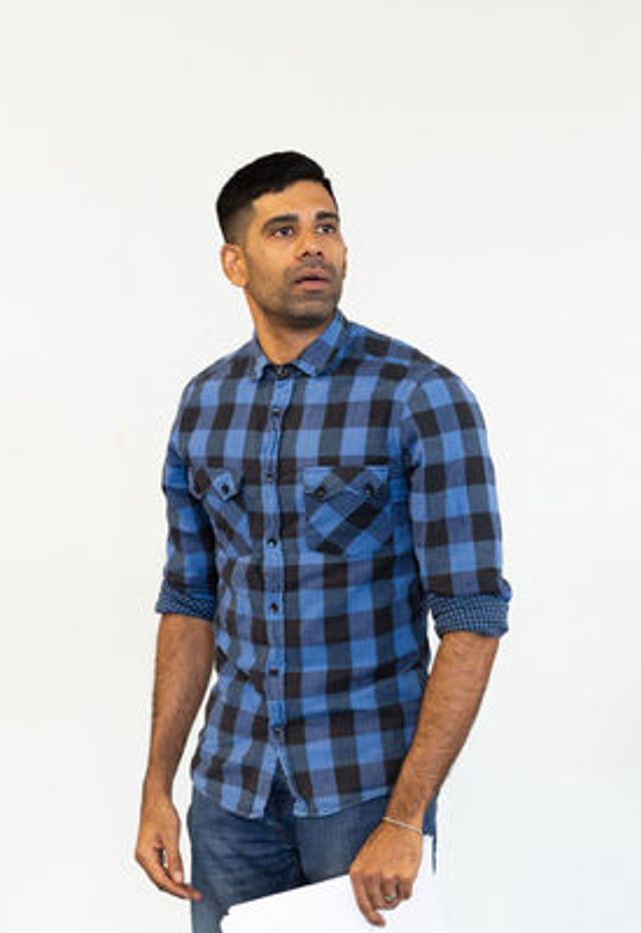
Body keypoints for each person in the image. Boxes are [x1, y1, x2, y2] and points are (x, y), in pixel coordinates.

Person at [133, 151, 511, 931]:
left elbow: (472, 617)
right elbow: (189, 601)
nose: (314, 247)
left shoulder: (420, 396)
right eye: (284, 230)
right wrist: (157, 786)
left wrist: (406, 818)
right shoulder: (205, 404)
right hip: (230, 797)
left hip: (366, 798)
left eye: (326, 227)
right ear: (234, 261)